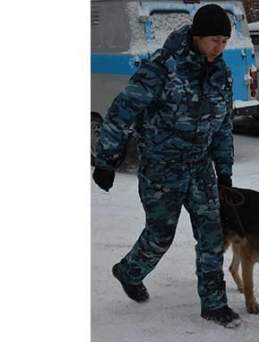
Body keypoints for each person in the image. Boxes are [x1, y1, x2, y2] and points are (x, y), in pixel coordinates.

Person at [92, 4, 240, 328]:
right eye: (214, 40)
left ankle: (214, 304)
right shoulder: (162, 68)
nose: (220, 47)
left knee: (212, 234)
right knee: (160, 235)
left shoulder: (222, 75)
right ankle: (129, 271)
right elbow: (122, 110)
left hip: (200, 167)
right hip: (162, 168)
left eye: (224, 41)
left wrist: (224, 170)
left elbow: (223, 125)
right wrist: (105, 159)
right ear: (198, 37)